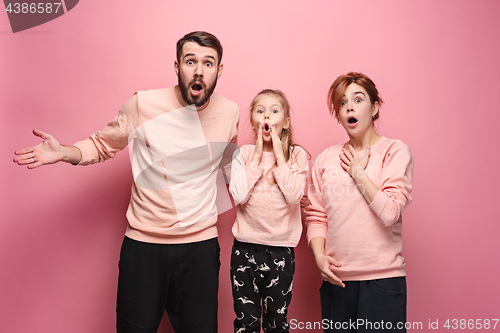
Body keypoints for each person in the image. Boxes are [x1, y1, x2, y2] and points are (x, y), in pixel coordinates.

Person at [13, 31, 239, 333]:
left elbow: (228, 166)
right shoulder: (142, 104)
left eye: (208, 63)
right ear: (177, 66)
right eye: (190, 61)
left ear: (219, 70)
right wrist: (65, 152)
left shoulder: (230, 112)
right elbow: (103, 143)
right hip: (144, 248)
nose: (199, 70)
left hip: (199, 249)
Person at [304, 72, 413, 332]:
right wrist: (319, 257)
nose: (349, 106)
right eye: (342, 102)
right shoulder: (325, 159)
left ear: (374, 108)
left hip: (382, 282)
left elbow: (389, 213)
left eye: (358, 99)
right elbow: (316, 216)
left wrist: (358, 172)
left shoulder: (395, 151)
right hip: (337, 282)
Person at [229, 89, 309, 333]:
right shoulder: (241, 155)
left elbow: (294, 196)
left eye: (275, 111)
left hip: (281, 252)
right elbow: (239, 196)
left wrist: (279, 156)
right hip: (244, 251)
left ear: (285, 122)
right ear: (253, 120)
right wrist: (256, 156)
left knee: (277, 323)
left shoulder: (297, 156)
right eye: (260, 111)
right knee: (246, 323)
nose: (267, 116)